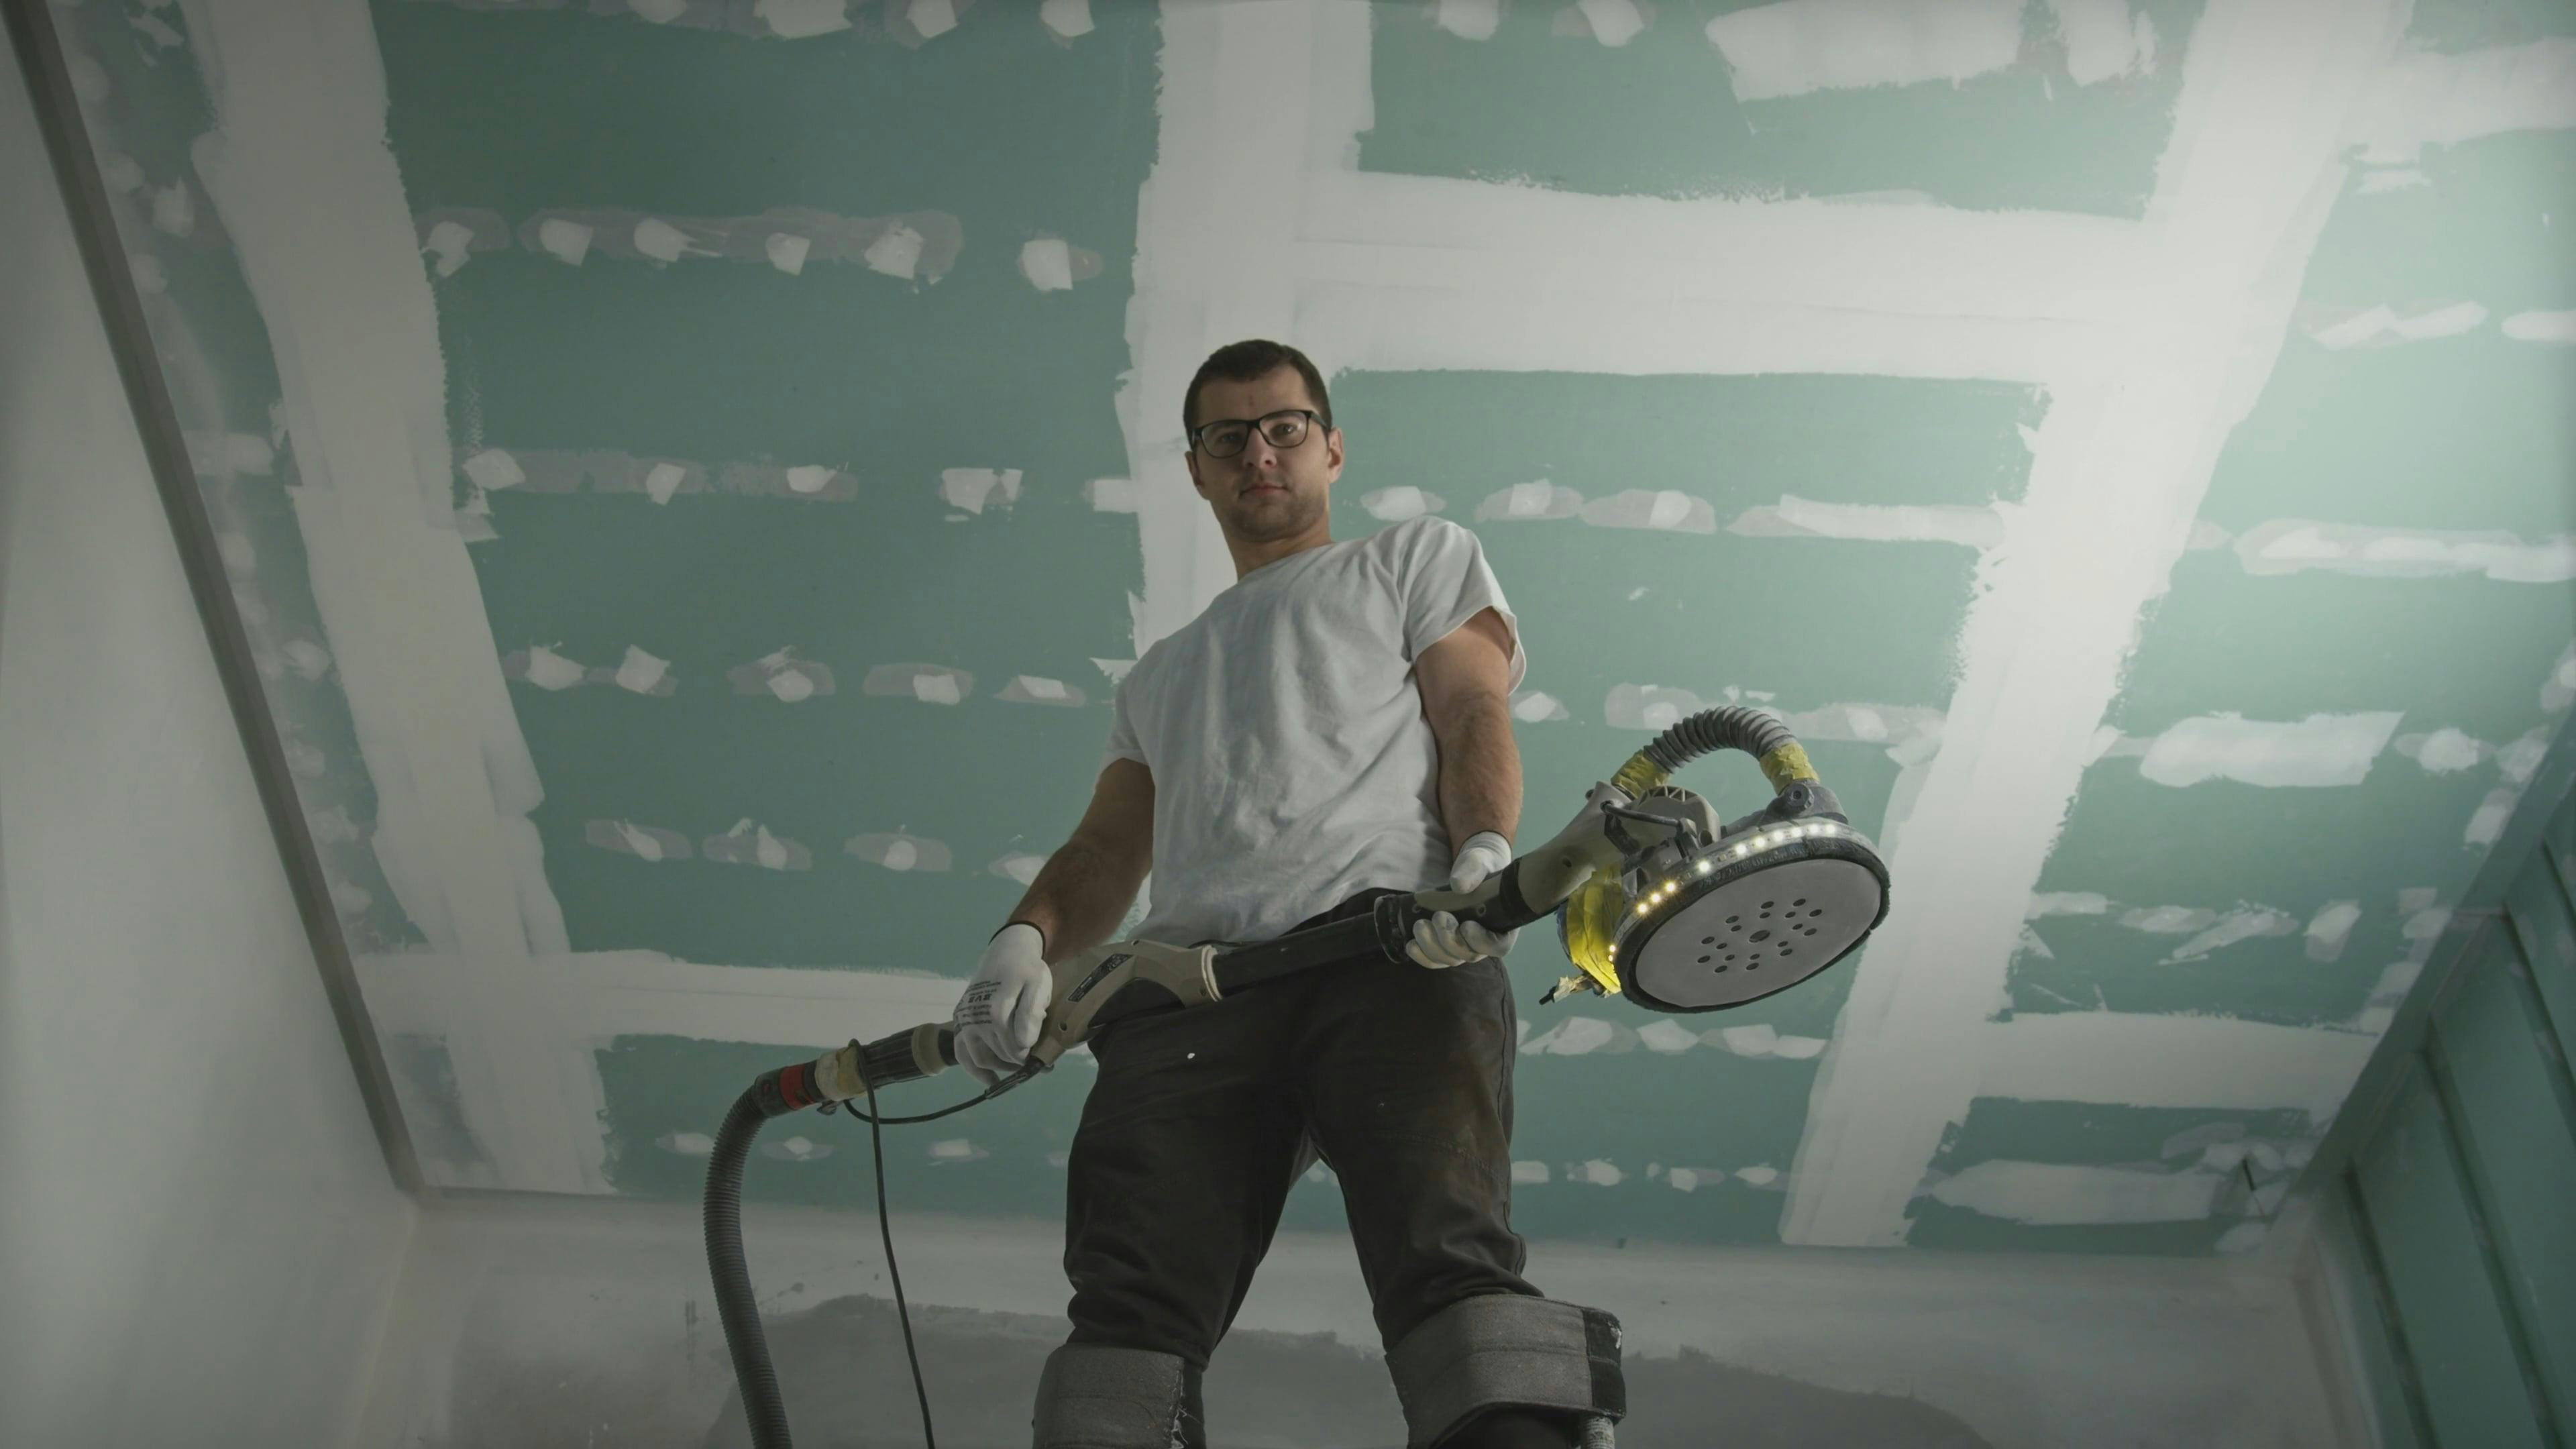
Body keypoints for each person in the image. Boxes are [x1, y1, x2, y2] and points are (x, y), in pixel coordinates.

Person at [951, 341, 1624, 1449]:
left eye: (1285, 427)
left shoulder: (1411, 558)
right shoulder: (1161, 671)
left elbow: (1471, 713)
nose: (1259, 452)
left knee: (1449, 1269)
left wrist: (1485, 854)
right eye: (1228, 437)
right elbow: (1109, 843)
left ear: (1331, 446)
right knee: (1127, 1321)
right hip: (1182, 1004)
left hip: (1393, 953)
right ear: (1198, 470)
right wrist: (1021, 941)